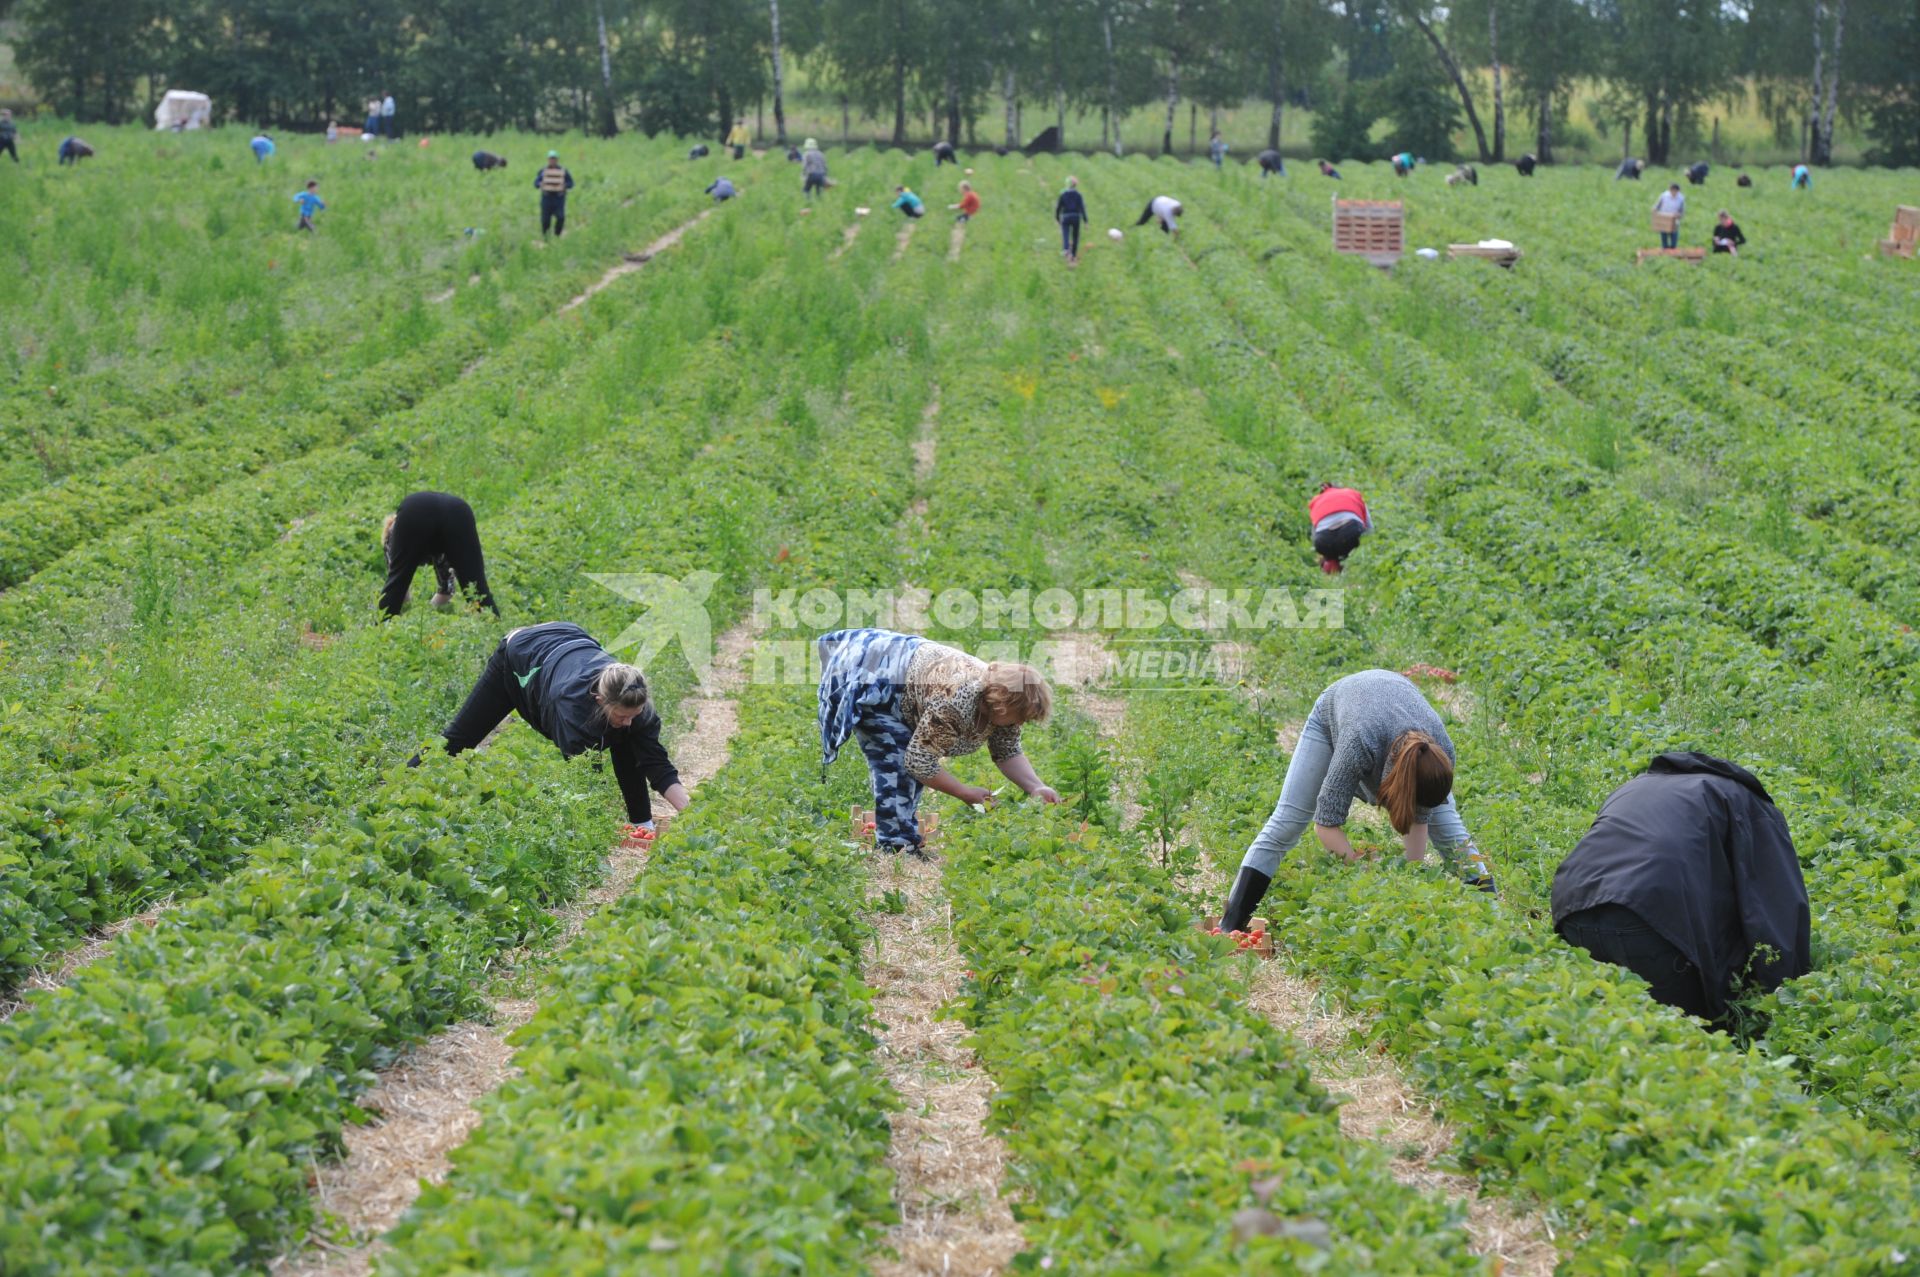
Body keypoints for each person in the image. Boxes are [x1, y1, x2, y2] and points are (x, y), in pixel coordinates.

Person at [1219, 669, 1497, 932]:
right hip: (1339, 713)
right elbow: (1326, 824)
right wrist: (1360, 866)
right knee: (1288, 822)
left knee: (1452, 835)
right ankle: (1230, 926)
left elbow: (1418, 832)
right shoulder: (1359, 742)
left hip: (1392, 707)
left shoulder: (1439, 753)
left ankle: (1494, 925)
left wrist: (1406, 884)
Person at [1551, 753, 1809, 1025]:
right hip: (1648, 911)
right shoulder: (1747, 803)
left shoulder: (1636, 786)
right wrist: (1785, 997)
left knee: (1610, 1029)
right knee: (1681, 1040)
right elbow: (1778, 908)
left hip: (1572, 904)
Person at [817, 628, 1059, 856]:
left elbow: (1007, 751)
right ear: (1001, 706)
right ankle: (895, 845)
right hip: (874, 676)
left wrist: (1035, 786)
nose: (1022, 724)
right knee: (897, 759)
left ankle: (903, 834)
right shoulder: (957, 700)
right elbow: (919, 762)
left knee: (910, 756)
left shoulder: (1002, 711)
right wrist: (965, 793)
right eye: (1021, 717)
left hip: (909, 675)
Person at [437, 622, 690, 838]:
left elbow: (657, 764)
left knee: (628, 738)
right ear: (600, 701)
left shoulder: (636, 703)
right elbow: (587, 781)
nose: (629, 721)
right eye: (622, 715)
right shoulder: (571, 708)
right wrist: (598, 836)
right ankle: (405, 785)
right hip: (521, 655)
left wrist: (694, 816)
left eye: (634, 715)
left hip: (570, 639)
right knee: (458, 741)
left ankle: (641, 823)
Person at [378, 491, 497, 617]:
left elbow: (400, 592)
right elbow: (446, 591)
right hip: (459, 511)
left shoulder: (390, 541)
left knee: (397, 584)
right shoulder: (440, 551)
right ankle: (495, 629)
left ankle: (381, 631)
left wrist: (420, 617)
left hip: (416, 510)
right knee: (476, 587)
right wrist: (429, 615)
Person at [1309, 483, 1371, 574]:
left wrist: (1325, 554)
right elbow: (1369, 528)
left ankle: (1330, 567)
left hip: (1324, 540)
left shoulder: (1316, 501)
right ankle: (1354, 571)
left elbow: (1315, 533)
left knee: (1330, 551)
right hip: (1350, 532)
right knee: (1350, 545)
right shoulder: (1352, 494)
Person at [536, 151, 574, 238]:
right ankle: (546, 238)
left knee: (561, 218)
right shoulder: (543, 171)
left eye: (554, 158)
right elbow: (536, 183)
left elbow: (571, 183)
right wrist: (540, 184)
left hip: (559, 199)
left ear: (557, 160)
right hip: (546, 198)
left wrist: (565, 185)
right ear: (548, 159)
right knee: (545, 221)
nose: (552, 160)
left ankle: (557, 235)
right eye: (551, 158)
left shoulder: (563, 171)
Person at [1055, 175, 1087, 263]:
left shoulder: (1063, 194)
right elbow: (1082, 208)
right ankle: (1073, 254)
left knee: (1065, 233)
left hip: (1066, 216)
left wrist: (1057, 218)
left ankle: (1066, 248)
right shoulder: (1078, 195)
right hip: (1076, 217)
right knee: (1075, 235)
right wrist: (1085, 221)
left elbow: (1058, 207)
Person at [1652, 183, 1686, 249]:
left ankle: (1673, 248)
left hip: (1674, 219)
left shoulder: (1681, 198)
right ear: (1670, 190)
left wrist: (1679, 215)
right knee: (1664, 234)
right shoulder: (1664, 195)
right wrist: (1654, 209)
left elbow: (1682, 211)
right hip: (1664, 218)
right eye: (1672, 191)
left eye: (1675, 191)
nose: (1674, 193)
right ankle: (1664, 248)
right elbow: (1657, 205)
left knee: (1674, 234)